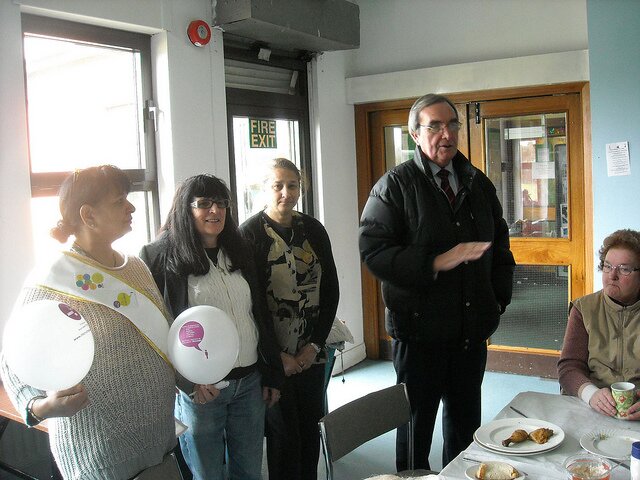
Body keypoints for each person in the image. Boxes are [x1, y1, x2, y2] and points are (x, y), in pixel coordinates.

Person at [359, 94, 515, 470]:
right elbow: (374, 252)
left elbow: (501, 243)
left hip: (469, 333)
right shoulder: (394, 186)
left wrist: (497, 300)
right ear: (415, 134)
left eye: (452, 124)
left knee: (466, 432)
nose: (446, 134)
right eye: (435, 126)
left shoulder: (477, 183)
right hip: (419, 336)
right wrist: (434, 261)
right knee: (415, 431)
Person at [0, 165, 179, 479]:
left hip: (158, 441)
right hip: (100, 452)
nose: (132, 207)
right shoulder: (52, 279)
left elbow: (161, 333)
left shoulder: (135, 267)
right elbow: (11, 361)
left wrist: (191, 378)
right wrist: (41, 407)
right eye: (119, 201)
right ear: (89, 215)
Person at [139, 174, 284, 480]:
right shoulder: (160, 256)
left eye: (221, 203)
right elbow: (156, 330)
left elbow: (259, 313)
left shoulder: (240, 248)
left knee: (248, 473)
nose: (214, 211)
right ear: (185, 209)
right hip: (203, 393)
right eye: (203, 204)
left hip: (249, 383)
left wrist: (272, 372)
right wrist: (187, 383)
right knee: (207, 475)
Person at [239, 158, 340, 480]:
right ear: (264, 188)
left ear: (301, 187)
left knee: (310, 430)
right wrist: (276, 356)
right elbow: (251, 304)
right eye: (277, 185)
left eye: (292, 185)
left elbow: (331, 291)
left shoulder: (312, 229)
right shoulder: (249, 234)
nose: (286, 192)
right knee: (283, 438)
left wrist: (314, 345)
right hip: (274, 357)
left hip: (312, 355)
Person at [558, 229, 640, 419]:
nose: (612, 276)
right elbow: (569, 367)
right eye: (607, 266)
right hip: (592, 408)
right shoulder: (584, 309)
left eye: (624, 268)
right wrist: (590, 394)